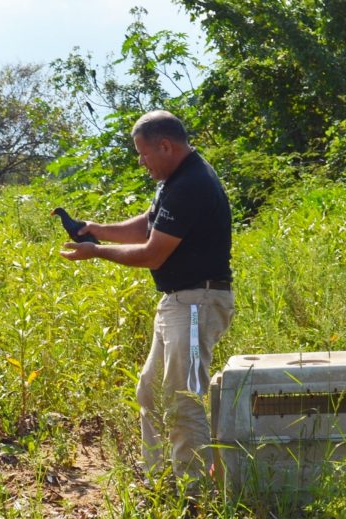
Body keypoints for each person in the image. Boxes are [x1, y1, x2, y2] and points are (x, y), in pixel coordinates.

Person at [59, 110, 234, 482]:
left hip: (195, 304)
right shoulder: (176, 179)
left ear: (165, 146)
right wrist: (97, 230)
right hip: (179, 302)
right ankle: (160, 482)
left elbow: (153, 252)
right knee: (152, 392)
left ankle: (194, 494)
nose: (141, 162)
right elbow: (148, 224)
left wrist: (97, 252)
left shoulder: (192, 184)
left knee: (180, 399)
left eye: (143, 154)